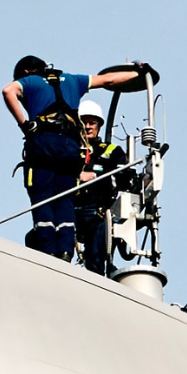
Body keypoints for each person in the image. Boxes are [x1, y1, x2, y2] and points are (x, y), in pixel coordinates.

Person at [1, 56, 147, 259]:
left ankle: (48, 251)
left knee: (43, 199)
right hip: (69, 148)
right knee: (65, 201)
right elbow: (109, 80)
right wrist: (140, 74)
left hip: (43, 145)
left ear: (25, 72)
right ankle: (66, 252)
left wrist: (25, 125)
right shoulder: (72, 79)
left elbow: (8, 91)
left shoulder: (30, 81)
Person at [73, 98, 129, 274]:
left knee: (95, 262)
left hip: (96, 210)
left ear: (99, 126)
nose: (88, 126)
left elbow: (124, 179)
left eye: (92, 123)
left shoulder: (111, 150)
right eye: (84, 122)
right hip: (67, 207)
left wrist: (96, 177)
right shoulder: (67, 149)